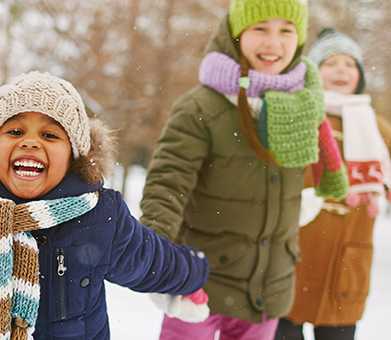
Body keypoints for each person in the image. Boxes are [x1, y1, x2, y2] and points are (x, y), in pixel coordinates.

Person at [0, 71, 210, 340]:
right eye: (15, 131)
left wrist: (192, 274)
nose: (30, 141)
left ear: (74, 156)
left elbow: (150, 260)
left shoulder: (100, 217)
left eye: (50, 135)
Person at [139, 0, 350, 339]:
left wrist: (300, 205)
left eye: (286, 30)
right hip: (198, 285)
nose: (273, 43)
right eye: (260, 28)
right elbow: (166, 190)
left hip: (267, 288)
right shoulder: (200, 107)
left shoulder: (303, 103)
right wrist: (158, 266)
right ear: (236, 34)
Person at [274, 28, 391, 340]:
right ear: (313, 71)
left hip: (347, 263)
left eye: (350, 64)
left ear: (360, 75)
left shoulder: (377, 129)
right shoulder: (295, 116)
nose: (342, 69)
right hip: (294, 255)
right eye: (331, 62)